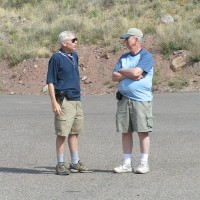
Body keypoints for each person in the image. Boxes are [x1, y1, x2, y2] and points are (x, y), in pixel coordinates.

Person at [46, 31, 92, 175]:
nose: (76, 42)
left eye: (76, 39)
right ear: (64, 43)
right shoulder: (56, 58)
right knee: (62, 133)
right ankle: (60, 164)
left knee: (74, 132)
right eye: (73, 40)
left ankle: (75, 162)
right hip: (64, 100)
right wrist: (54, 102)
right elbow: (51, 82)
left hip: (76, 99)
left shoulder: (74, 56)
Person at [112, 28, 154, 174]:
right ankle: (127, 163)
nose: (125, 41)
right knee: (126, 131)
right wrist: (129, 72)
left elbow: (137, 72)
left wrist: (124, 71)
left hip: (141, 100)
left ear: (136, 39)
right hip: (124, 99)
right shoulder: (123, 57)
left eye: (127, 38)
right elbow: (114, 76)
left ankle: (144, 163)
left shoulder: (146, 56)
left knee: (143, 131)